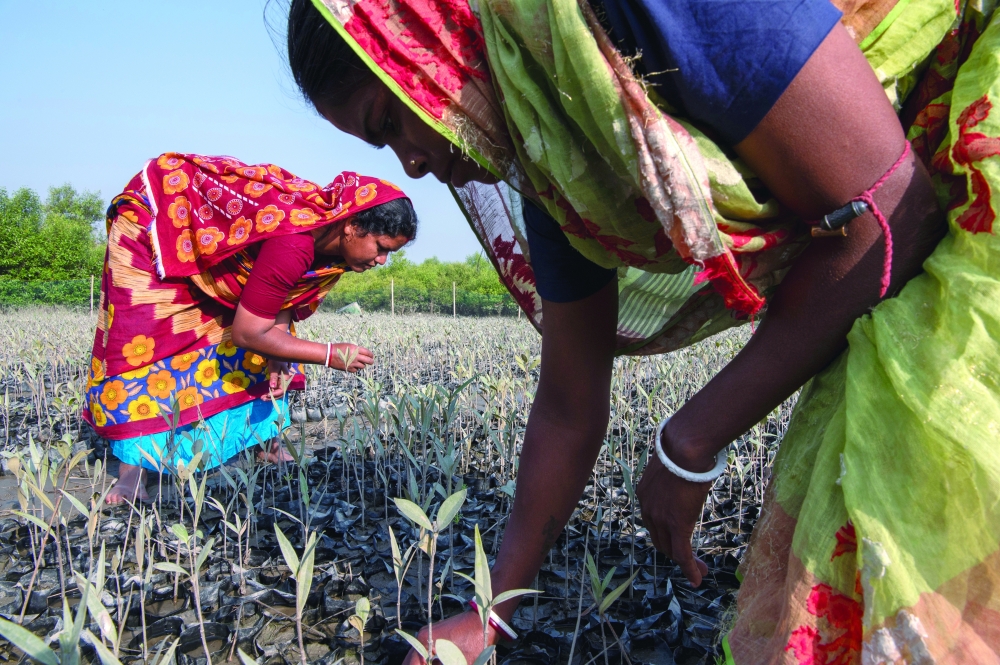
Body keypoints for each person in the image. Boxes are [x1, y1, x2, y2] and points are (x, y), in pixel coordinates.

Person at [288, 0, 1000, 662]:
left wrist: (688, 442)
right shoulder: (563, 157)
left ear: (422, 30)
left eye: (388, 122)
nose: (410, 163)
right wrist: (493, 609)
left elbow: (889, 219)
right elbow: (568, 404)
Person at [83, 153, 416, 505]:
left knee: (275, 351)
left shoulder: (330, 249)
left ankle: (266, 444)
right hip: (157, 230)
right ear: (352, 226)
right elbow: (249, 333)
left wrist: (275, 350)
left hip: (210, 255)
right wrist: (330, 354)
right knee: (146, 339)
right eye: (381, 248)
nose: (381, 261)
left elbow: (282, 296)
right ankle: (132, 472)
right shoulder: (294, 241)